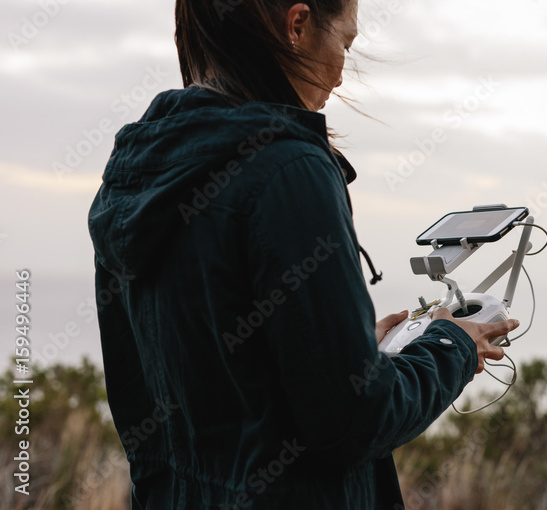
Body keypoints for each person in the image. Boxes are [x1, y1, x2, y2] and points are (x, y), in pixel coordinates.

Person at [87, 0, 518, 508]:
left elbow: (205, 387)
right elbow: (355, 422)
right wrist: (451, 346)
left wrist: (353, 356)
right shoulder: (289, 171)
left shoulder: (136, 178)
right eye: (346, 43)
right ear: (298, 25)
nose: (340, 76)